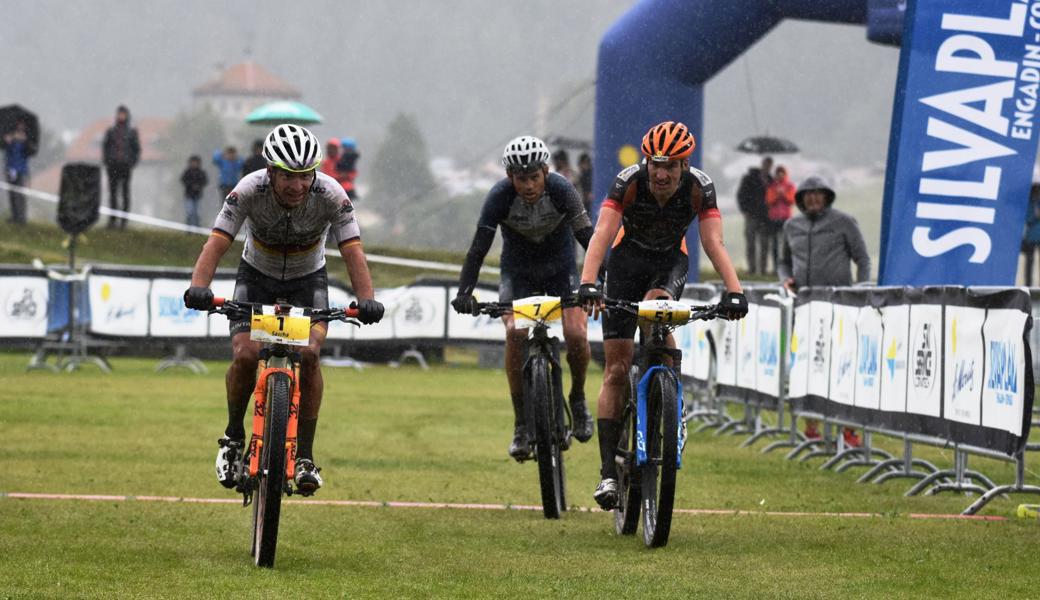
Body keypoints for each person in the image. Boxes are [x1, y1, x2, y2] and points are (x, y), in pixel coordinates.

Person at [183, 124, 385, 496]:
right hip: (256, 276)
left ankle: (305, 456)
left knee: (309, 354)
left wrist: (367, 298)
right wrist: (199, 287)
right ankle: (232, 436)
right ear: (271, 172)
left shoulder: (331, 194)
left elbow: (353, 250)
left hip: (309, 282)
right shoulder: (247, 189)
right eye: (288, 176)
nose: (297, 186)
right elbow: (216, 243)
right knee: (245, 355)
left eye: (304, 175)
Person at [578, 121, 748, 510]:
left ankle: (671, 401)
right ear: (646, 161)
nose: (661, 173)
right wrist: (589, 282)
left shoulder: (699, 188)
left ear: (685, 165)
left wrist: (735, 291)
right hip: (624, 263)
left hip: (669, 264)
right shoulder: (628, 181)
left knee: (658, 310)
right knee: (617, 370)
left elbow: (713, 242)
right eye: (655, 164)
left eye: (671, 165)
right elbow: (603, 233)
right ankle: (607, 473)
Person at [451, 135, 595, 460]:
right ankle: (520, 424)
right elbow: (478, 249)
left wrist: (599, 280)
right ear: (509, 178)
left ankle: (578, 397)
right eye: (520, 179)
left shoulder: (563, 190)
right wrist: (464, 292)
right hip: (518, 273)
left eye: (534, 177)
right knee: (515, 333)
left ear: (546, 171)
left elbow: (589, 237)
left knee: (575, 332)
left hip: (561, 271)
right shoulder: (499, 198)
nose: (528, 185)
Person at [777, 175, 870, 446]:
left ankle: (848, 429)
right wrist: (785, 278)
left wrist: (861, 290)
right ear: (801, 198)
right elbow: (783, 262)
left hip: (840, 308)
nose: (813, 198)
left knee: (843, 367)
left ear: (827, 196)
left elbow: (862, 258)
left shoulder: (844, 222)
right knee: (807, 366)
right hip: (805, 309)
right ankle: (811, 426)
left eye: (818, 194)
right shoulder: (791, 226)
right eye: (808, 194)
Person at [101, 105, 141, 229]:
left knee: (125, 193)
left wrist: (131, 162)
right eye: (120, 114)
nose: (121, 116)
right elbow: (106, 147)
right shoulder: (111, 131)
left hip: (125, 166)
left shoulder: (131, 132)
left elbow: (136, 149)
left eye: (123, 114)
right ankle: (112, 220)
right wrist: (107, 161)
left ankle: (123, 221)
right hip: (113, 166)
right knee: (113, 193)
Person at [735, 156, 772, 274]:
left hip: (765, 217)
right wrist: (744, 210)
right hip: (751, 215)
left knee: (764, 244)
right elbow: (741, 194)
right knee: (751, 243)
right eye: (766, 164)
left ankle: (763, 269)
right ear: (763, 165)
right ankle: (752, 268)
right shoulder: (750, 178)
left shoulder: (771, 181)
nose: (767, 167)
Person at [763, 165, 796, 274]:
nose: (780, 175)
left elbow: (792, 200)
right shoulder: (772, 187)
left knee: (787, 243)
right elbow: (769, 200)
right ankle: (776, 267)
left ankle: (788, 267)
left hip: (786, 218)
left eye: (782, 173)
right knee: (775, 244)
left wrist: (784, 194)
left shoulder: (790, 186)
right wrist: (778, 194)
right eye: (778, 173)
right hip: (774, 218)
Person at [1, 120, 32, 225]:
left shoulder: (26, 140)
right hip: (10, 169)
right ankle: (15, 217)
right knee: (12, 195)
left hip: (20, 171)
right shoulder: (11, 138)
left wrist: (23, 141)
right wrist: (8, 140)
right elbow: (7, 150)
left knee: (19, 195)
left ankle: (21, 219)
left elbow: (28, 151)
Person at [179, 155, 208, 229]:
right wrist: (191, 185)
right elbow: (183, 180)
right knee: (190, 213)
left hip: (198, 196)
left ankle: (197, 229)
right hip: (189, 196)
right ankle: (189, 229)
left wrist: (198, 186)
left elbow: (205, 181)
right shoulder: (187, 172)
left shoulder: (201, 172)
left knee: (197, 214)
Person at [1021, 184, 1040, 286]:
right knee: (1029, 262)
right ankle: (1028, 283)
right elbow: (1027, 218)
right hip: (1031, 237)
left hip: (1032, 236)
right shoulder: (1029, 203)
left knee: (1030, 262)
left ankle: (1029, 283)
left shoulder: (1031, 203)